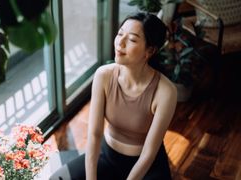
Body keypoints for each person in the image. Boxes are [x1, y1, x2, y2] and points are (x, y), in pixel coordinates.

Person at [50, 11, 177, 180]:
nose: (120, 43)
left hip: (146, 166)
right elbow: (95, 134)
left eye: (131, 39)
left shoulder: (165, 92)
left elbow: (149, 153)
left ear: (150, 50)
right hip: (107, 155)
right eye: (120, 34)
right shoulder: (104, 75)